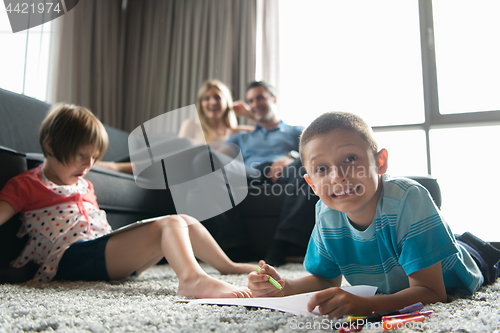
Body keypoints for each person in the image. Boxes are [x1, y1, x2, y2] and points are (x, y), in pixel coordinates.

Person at [248, 111, 500, 318]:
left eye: (350, 158)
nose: (338, 176)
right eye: (322, 168)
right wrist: (281, 286)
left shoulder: (410, 198)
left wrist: (367, 305)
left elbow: (432, 292)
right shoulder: (325, 214)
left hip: (464, 260)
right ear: (312, 184)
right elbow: (326, 278)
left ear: (380, 162)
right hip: (403, 248)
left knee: (483, 253)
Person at [0, 103, 256, 299]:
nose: (89, 165)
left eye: (93, 157)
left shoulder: (84, 183)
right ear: (51, 145)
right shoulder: (28, 184)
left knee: (185, 221)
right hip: (67, 259)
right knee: (169, 225)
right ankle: (192, 279)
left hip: (101, 251)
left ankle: (228, 266)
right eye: (81, 156)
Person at [217, 81, 318, 266]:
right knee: (211, 172)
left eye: (260, 97)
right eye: (251, 101)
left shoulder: (295, 131)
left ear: (274, 99)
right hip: (250, 172)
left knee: (307, 167)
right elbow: (214, 159)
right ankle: (236, 248)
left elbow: (315, 148)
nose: (255, 103)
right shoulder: (241, 136)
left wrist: (291, 155)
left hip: (286, 171)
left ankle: (283, 244)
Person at [95, 79, 253, 173]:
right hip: (179, 169)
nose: (211, 102)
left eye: (217, 97)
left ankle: (117, 167)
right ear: (201, 104)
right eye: (206, 98)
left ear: (227, 102)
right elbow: (177, 153)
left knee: (194, 149)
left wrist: (248, 114)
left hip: (204, 173)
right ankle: (118, 165)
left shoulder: (238, 133)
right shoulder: (192, 125)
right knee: (185, 144)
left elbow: (271, 129)